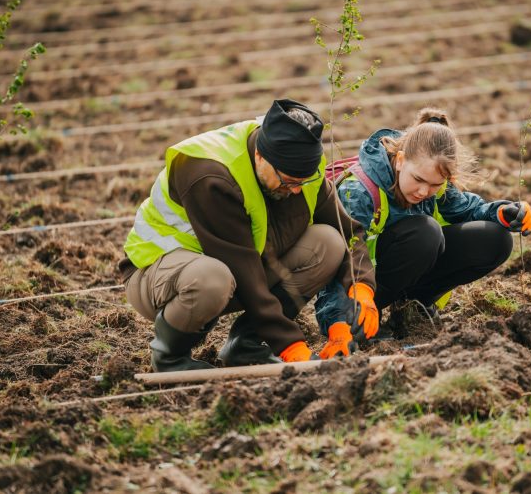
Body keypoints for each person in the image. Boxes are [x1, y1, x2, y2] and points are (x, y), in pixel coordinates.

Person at [119, 99, 378, 372]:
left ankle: (247, 344)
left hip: (233, 270)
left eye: (302, 182)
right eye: (289, 182)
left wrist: (361, 287)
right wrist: (290, 346)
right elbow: (243, 269)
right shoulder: (210, 177)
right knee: (213, 278)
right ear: (260, 157)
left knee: (328, 244)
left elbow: (348, 232)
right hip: (156, 274)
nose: (296, 191)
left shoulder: (300, 171)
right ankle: (169, 355)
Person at [315, 107, 531, 347]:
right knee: (424, 233)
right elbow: (341, 260)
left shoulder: (435, 183)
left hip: (402, 268)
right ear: (400, 161)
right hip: (358, 288)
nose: (423, 191)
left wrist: (503, 212)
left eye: (434, 185)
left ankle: (414, 307)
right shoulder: (358, 192)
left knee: (495, 239)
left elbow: (467, 209)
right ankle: (366, 314)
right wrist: (337, 322)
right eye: (418, 180)